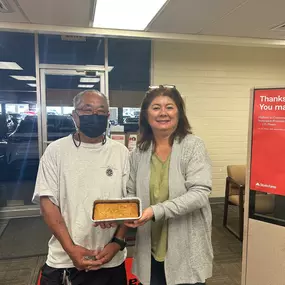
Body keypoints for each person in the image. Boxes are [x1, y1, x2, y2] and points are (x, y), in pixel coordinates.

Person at [32, 90, 129, 285]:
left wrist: (117, 243)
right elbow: (47, 204)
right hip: (64, 260)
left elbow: (130, 204)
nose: (95, 115)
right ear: (74, 116)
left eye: (101, 111)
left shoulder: (121, 152)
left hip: (110, 259)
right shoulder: (56, 151)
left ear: (108, 116)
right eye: (87, 109)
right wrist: (71, 249)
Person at [125, 85, 213, 285]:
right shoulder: (140, 151)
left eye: (170, 107)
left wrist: (156, 211)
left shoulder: (193, 146)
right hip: (151, 243)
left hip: (186, 244)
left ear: (179, 113)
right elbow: (131, 192)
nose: (163, 113)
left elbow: (200, 193)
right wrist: (121, 214)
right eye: (156, 107)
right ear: (146, 115)